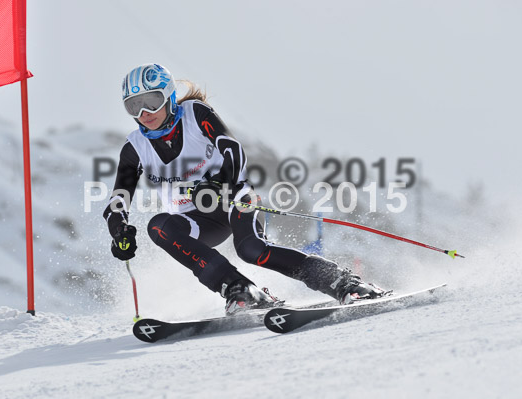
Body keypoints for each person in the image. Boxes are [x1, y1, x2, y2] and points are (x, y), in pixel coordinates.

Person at [104, 63, 384, 315]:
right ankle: (241, 290)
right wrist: (119, 231)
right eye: (134, 106)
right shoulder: (135, 148)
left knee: (252, 249)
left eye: (151, 102)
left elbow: (232, 149)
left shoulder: (194, 114)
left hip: (233, 200)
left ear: (167, 97)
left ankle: (343, 282)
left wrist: (219, 184)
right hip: (196, 220)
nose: (144, 113)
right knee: (159, 226)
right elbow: (118, 200)